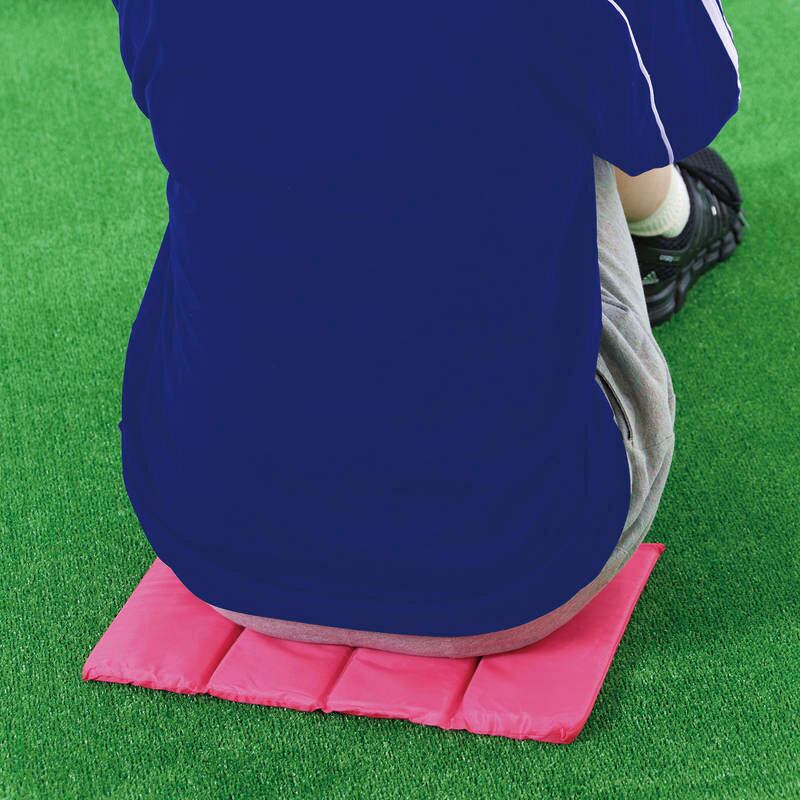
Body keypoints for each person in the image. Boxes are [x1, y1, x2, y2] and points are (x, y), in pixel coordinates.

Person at [111, 1, 743, 657]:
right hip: (528, 565)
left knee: (245, 124)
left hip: (211, 540)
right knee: (583, 81)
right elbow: (691, 102)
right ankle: (671, 224)